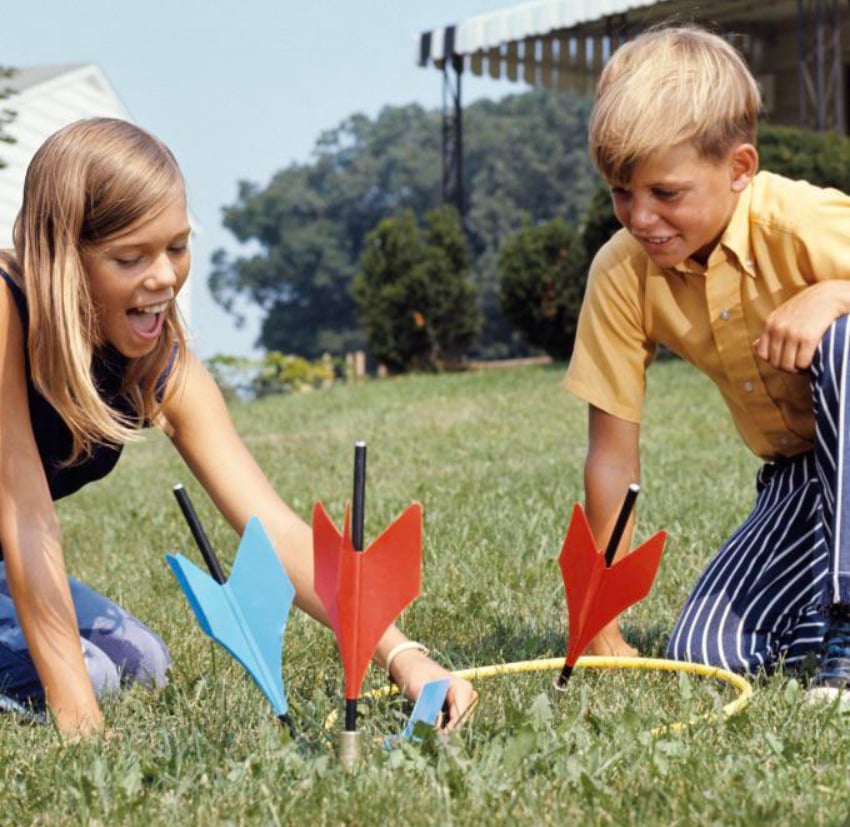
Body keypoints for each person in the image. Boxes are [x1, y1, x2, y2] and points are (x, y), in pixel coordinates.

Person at [0, 117, 476, 738]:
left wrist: (400, 653)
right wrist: (80, 723)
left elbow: (273, 528)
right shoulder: (7, 309)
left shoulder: (157, 364)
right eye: (130, 258)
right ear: (63, 257)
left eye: (176, 246)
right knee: (88, 681)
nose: (166, 278)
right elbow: (26, 515)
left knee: (140, 664)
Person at [564, 25, 850, 699]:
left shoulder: (805, 222)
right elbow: (612, 458)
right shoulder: (622, 273)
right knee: (708, 652)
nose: (640, 217)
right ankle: (824, 614)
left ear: (740, 169)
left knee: (844, 341)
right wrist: (601, 615)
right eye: (620, 193)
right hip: (804, 474)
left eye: (666, 193)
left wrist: (837, 292)